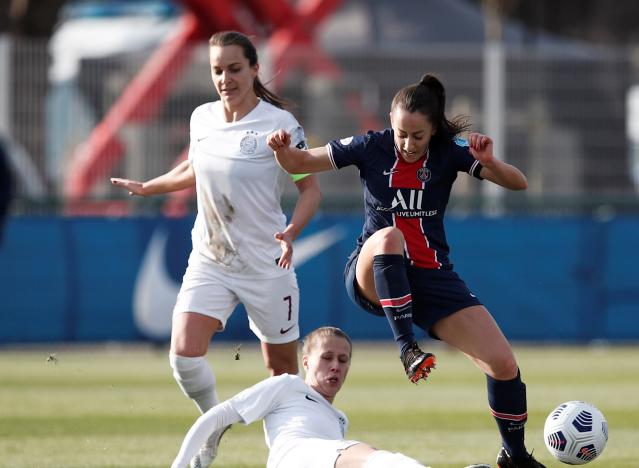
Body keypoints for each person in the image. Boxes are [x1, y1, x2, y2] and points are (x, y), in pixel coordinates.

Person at [268, 74, 545, 468]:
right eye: (401, 134)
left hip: (432, 278)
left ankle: (514, 456)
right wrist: (282, 151)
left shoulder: (452, 152)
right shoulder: (370, 146)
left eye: (418, 136)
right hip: (372, 271)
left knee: (503, 365)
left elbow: (518, 183)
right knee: (388, 237)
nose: (408, 144)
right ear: (390, 123)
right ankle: (407, 349)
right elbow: (299, 161)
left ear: (433, 130)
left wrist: (488, 163)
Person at [110, 31, 321, 466]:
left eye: (234, 68)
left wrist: (292, 233)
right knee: (184, 356)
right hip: (210, 259)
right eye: (217, 70)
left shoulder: (279, 123)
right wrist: (149, 187)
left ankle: (289, 453)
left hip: (266, 263)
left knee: (281, 374)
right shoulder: (202, 117)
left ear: (255, 69)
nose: (225, 78)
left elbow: (310, 191)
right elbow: (194, 166)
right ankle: (213, 424)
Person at [171, 326, 427, 468]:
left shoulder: (340, 420)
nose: (335, 365)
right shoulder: (287, 385)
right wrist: (180, 465)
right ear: (306, 362)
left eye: (343, 359)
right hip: (297, 456)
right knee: (381, 460)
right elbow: (216, 416)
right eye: (327, 358)